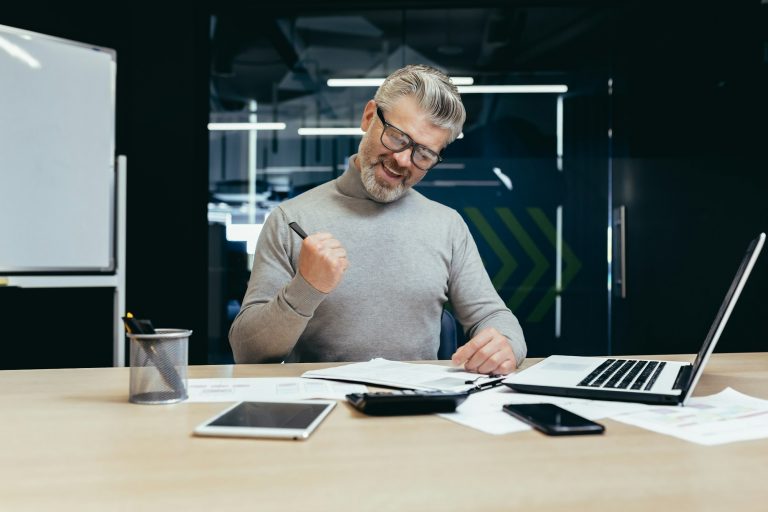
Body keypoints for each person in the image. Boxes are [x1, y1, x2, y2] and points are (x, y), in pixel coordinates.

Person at [229, 64, 526, 374]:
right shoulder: (290, 219)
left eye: (423, 154)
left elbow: (493, 317)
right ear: (369, 117)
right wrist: (307, 286)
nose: (402, 159)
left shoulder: (447, 226)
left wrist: (506, 344)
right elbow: (247, 352)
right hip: (324, 410)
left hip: (417, 410)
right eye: (398, 137)